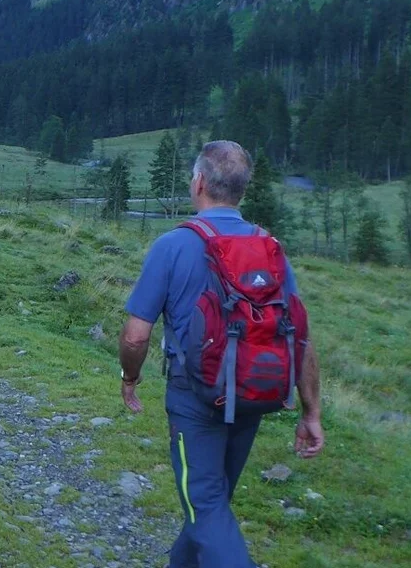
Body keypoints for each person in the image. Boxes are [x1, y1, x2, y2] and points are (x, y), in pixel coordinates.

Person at [118, 141, 324, 567]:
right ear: (241, 191)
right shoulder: (271, 249)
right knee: (211, 502)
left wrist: (129, 377)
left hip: (194, 401)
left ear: (198, 183)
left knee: (205, 506)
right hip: (253, 395)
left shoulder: (173, 246)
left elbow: (136, 336)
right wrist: (311, 412)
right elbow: (299, 336)